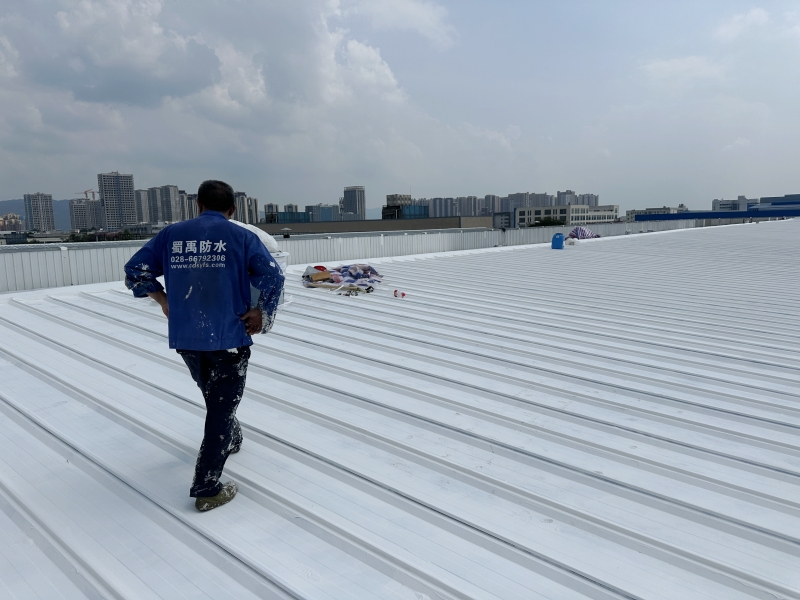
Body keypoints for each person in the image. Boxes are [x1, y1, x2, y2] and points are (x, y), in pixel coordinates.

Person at [124, 180, 284, 512]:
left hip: (187, 336)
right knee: (221, 407)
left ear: (198, 204)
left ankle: (231, 438)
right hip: (228, 336)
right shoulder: (241, 236)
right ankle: (207, 488)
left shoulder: (172, 235)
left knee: (215, 396)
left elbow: (136, 269)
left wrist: (164, 300)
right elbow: (273, 276)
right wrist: (261, 311)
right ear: (233, 209)